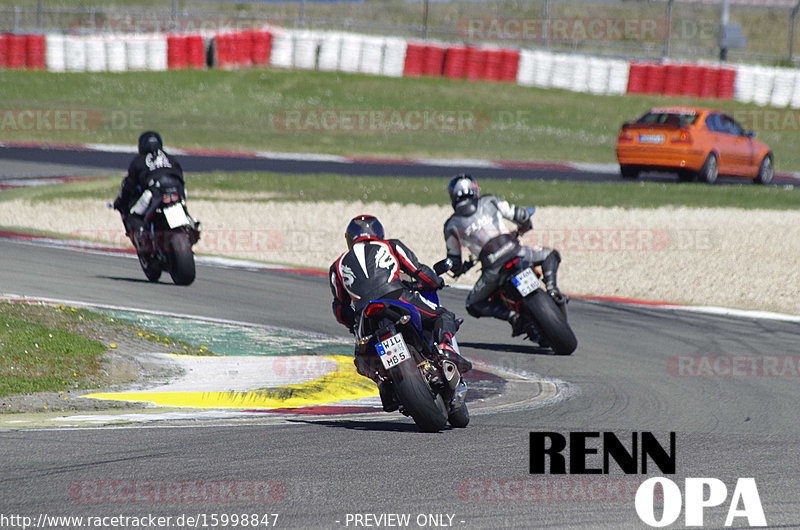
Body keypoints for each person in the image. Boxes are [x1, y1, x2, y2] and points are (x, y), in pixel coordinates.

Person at [329, 215, 470, 409]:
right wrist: (435, 282)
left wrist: (352, 323)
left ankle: (384, 382)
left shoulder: (337, 266)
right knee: (443, 316)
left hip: (364, 315)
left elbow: (340, 308)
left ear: (350, 238)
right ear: (378, 233)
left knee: (362, 356)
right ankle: (445, 349)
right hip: (396, 296)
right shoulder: (390, 246)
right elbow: (417, 270)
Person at [443, 174, 565, 335]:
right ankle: (552, 288)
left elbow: (454, 260)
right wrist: (525, 226)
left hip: (492, 268)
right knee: (550, 254)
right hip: (516, 251)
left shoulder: (450, 225)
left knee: (472, 304)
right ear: (474, 190)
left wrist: (459, 269)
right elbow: (521, 215)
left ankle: (512, 316)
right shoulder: (490, 200)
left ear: (453, 196)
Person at [112, 131, 186, 247]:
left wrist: (121, 202)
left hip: (154, 192)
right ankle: (190, 223)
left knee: (133, 216)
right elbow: (181, 176)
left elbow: (129, 185)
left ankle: (143, 240)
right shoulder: (171, 158)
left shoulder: (138, 161)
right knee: (182, 206)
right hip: (178, 191)